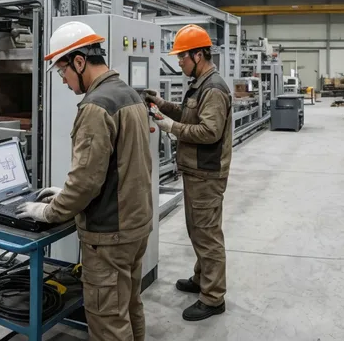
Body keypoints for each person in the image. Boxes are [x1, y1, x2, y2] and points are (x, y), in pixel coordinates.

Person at [17, 21, 154, 341]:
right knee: (129, 304)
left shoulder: (95, 106)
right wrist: (66, 192)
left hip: (109, 234)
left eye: (62, 69)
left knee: (107, 318)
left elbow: (86, 182)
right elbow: (117, 166)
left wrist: (47, 212)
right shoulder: (128, 94)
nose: (63, 79)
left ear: (80, 62)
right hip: (135, 224)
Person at [144, 24, 232, 322]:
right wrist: (161, 104)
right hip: (196, 171)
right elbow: (187, 114)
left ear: (198, 55)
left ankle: (213, 297)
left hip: (207, 173)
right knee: (197, 230)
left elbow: (209, 131)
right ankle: (201, 279)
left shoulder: (214, 88)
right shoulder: (199, 85)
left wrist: (168, 126)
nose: (178, 62)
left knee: (207, 235)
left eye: (182, 57)